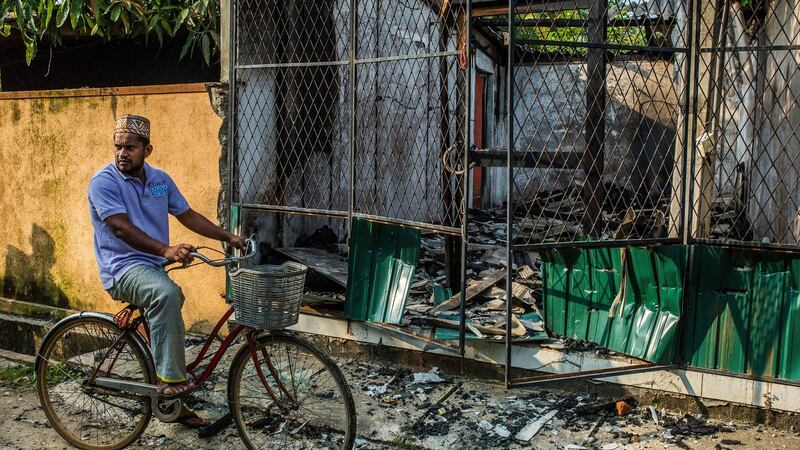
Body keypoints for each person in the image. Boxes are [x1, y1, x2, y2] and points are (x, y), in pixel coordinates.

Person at [88, 114, 245, 428]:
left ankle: (173, 403)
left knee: (168, 306)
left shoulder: (160, 181)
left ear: (147, 149)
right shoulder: (104, 182)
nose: (122, 153)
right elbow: (120, 228)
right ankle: (169, 382)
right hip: (122, 268)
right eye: (118, 147)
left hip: (152, 264)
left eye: (130, 147)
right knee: (167, 294)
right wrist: (165, 249)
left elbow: (187, 214)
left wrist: (228, 237)